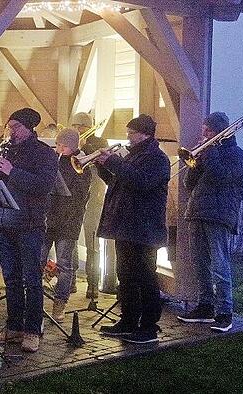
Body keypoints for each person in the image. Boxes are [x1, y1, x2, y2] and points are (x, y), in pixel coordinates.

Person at [95, 114, 170, 344]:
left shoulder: (157, 158)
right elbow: (119, 182)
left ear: (145, 134)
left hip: (144, 229)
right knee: (125, 276)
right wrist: (103, 168)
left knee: (145, 276)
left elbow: (141, 182)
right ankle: (127, 320)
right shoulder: (132, 156)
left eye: (131, 132)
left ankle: (148, 326)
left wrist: (114, 163)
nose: (127, 136)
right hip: (125, 226)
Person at [0, 108, 58, 353]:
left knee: (32, 280)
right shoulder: (7, 150)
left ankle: (32, 330)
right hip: (4, 223)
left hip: (29, 224)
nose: (12, 131)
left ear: (30, 128)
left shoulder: (44, 154)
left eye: (16, 127)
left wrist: (11, 171)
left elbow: (43, 186)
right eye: (10, 127)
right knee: (10, 279)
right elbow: (1, 183)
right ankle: (13, 326)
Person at [177, 112, 243, 332]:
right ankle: (205, 306)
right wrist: (194, 164)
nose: (204, 134)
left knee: (219, 265)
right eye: (204, 130)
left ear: (220, 132)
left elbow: (223, 178)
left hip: (219, 215)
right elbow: (189, 184)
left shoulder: (235, 154)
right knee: (200, 263)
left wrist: (210, 152)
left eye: (208, 131)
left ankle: (225, 312)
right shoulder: (208, 154)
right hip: (197, 211)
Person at [42, 128, 92, 321]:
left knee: (65, 265)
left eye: (63, 146)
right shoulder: (53, 160)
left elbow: (81, 196)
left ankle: (59, 304)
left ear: (74, 146)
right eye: (57, 145)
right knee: (38, 260)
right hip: (49, 218)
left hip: (68, 220)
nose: (59, 149)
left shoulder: (83, 165)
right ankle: (35, 302)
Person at [72, 112, 108, 299]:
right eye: (75, 126)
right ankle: (70, 280)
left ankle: (92, 283)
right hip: (75, 196)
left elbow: (102, 162)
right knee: (70, 238)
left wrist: (85, 147)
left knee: (92, 240)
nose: (78, 130)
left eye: (81, 127)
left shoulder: (100, 142)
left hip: (94, 196)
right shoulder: (71, 141)